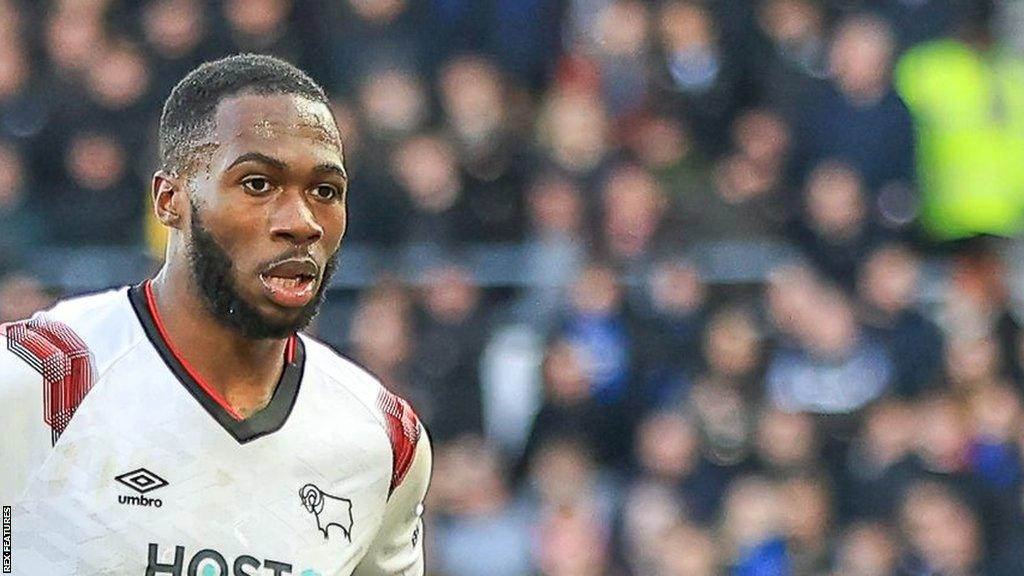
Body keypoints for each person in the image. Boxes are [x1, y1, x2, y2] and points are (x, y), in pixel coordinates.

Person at [0, 54, 432, 575]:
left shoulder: (383, 440)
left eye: (325, 192)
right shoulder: (40, 377)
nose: (301, 223)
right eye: (257, 184)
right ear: (170, 200)